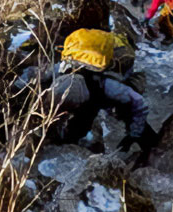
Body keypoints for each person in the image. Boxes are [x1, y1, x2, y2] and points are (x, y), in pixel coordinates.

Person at [37, 27, 153, 156]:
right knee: (75, 125)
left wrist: (134, 134)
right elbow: (38, 77)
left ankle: (152, 147)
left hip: (117, 72)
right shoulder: (62, 70)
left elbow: (139, 104)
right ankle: (64, 141)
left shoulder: (108, 86)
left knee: (125, 112)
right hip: (90, 92)